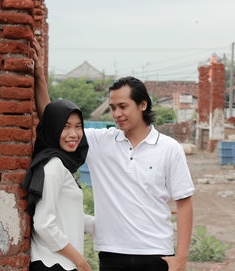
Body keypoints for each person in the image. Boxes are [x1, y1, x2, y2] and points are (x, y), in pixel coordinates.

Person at [31, 38, 194, 271]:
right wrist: (39, 78)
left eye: (123, 106)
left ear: (143, 105)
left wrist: (181, 258)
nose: (117, 113)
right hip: (111, 254)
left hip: (156, 253)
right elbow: (55, 124)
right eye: (113, 107)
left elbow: (185, 203)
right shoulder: (101, 141)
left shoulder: (169, 148)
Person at [21, 98, 94, 271]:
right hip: (53, 264)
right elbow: (44, 224)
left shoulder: (61, 165)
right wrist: (81, 261)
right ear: (53, 128)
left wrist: (106, 225)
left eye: (78, 126)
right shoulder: (54, 167)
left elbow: (69, 216)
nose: (74, 134)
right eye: (66, 126)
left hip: (61, 263)